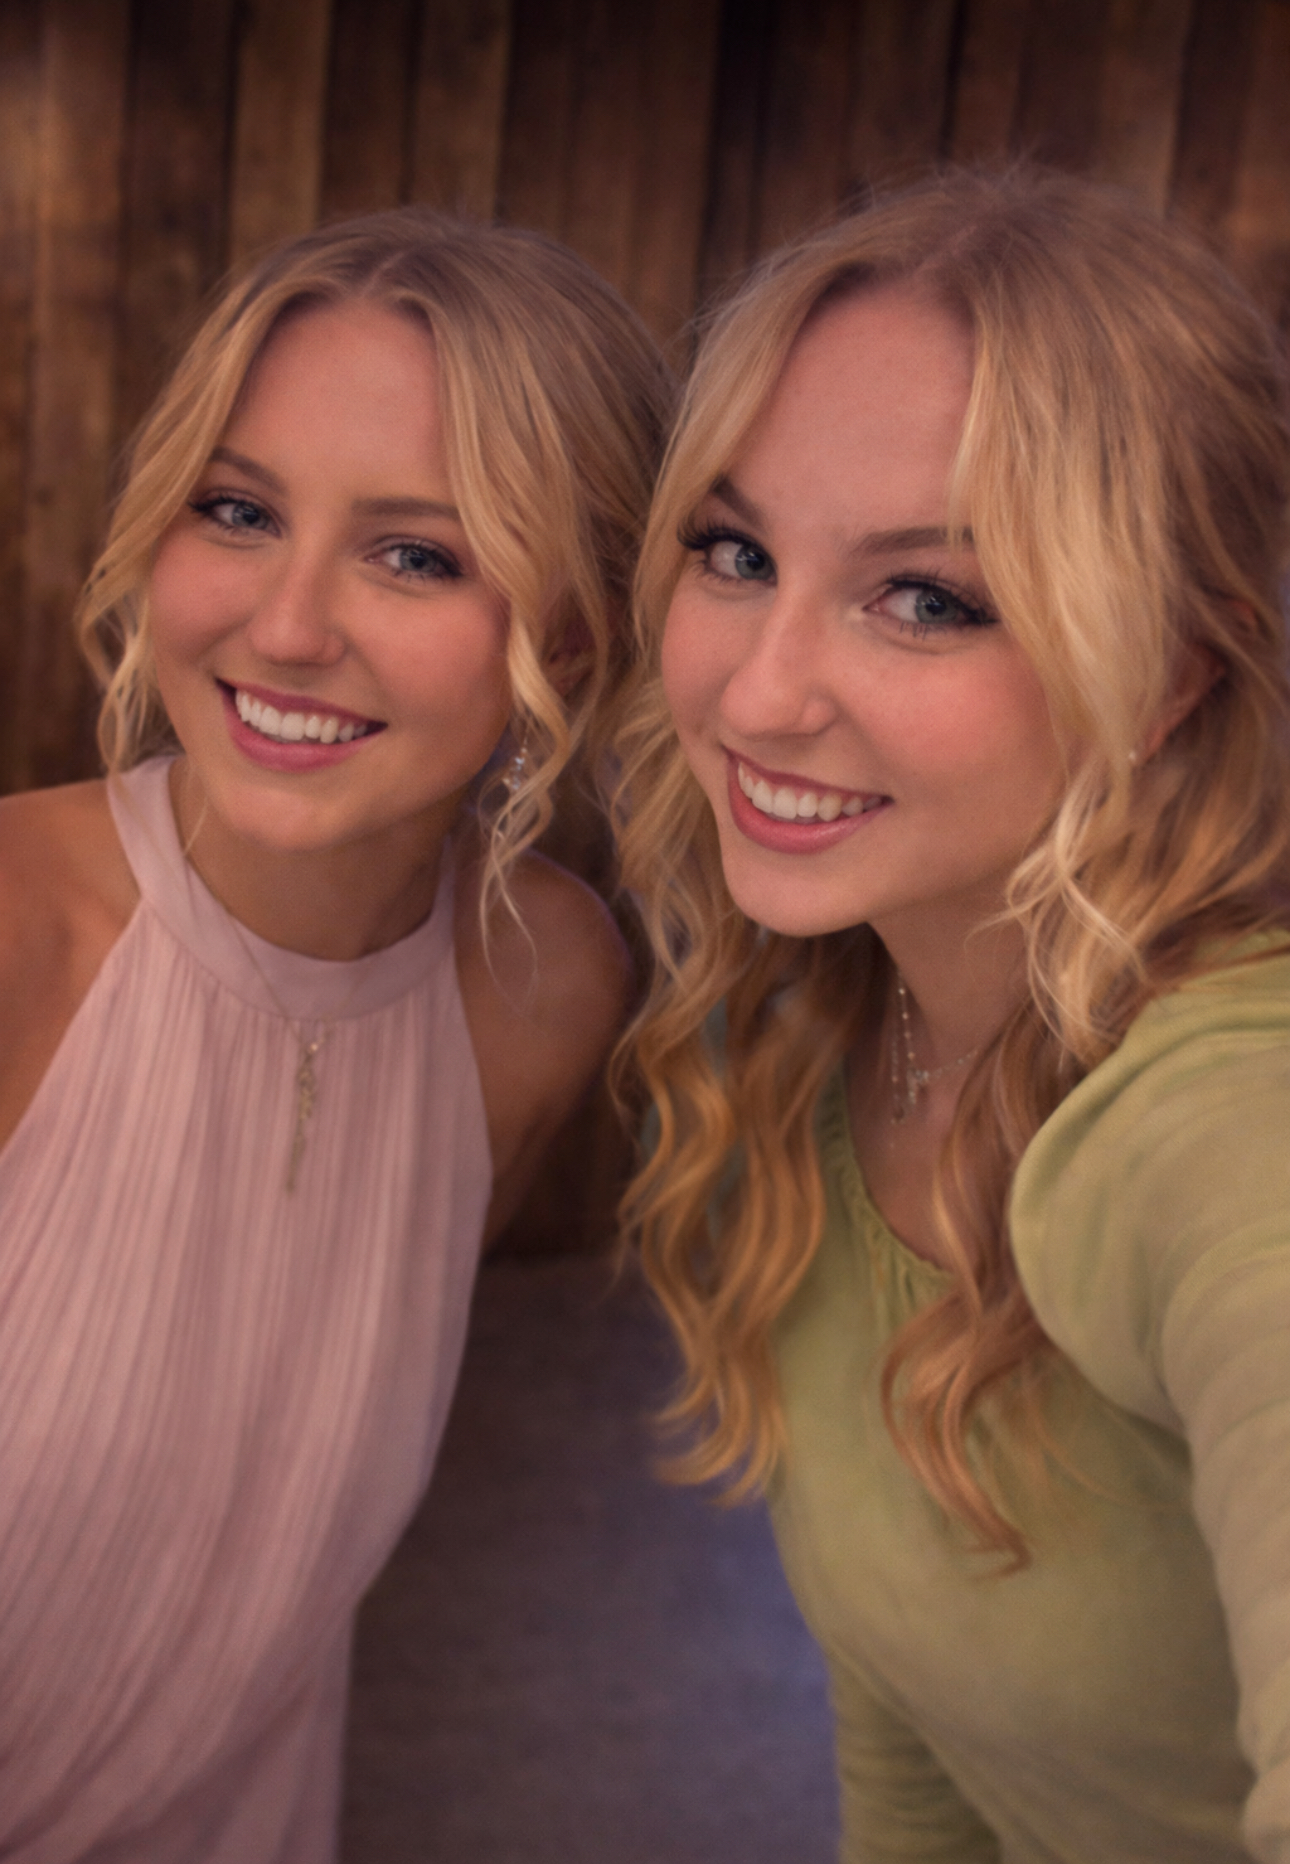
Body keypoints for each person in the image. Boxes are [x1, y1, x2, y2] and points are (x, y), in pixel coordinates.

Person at [613, 168, 1290, 1862]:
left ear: (1168, 674)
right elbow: (912, 1732)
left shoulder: (1229, 1134)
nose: (758, 693)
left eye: (925, 597)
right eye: (734, 549)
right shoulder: (787, 1039)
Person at [0, 207, 669, 1861]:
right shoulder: (17, 931)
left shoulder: (545, 987)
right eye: (236, 511)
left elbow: (274, 1540)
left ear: (567, 637)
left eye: (415, 553)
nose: (286, 626)